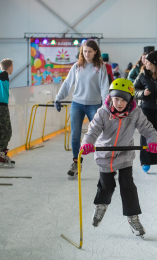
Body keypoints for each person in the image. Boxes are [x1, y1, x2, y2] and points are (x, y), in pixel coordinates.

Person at [80, 78, 157, 236]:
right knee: (106, 185)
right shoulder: (103, 112)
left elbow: (147, 128)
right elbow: (93, 130)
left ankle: (133, 217)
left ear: (130, 99)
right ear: (111, 97)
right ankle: (101, 206)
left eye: (123, 100)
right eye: (116, 99)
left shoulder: (135, 112)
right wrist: (87, 143)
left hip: (124, 154)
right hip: (105, 155)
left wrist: (152, 141)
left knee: (128, 186)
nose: (119, 103)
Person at [55, 39, 109, 179]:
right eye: (84, 51)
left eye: (89, 51)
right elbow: (67, 84)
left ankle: (106, 163)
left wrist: (107, 105)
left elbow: (104, 87)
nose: (87, 54)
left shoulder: (100, 66)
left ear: (95, 52)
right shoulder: (77, 66)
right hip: (77, 104)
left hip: (94, 105)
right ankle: (76, 163)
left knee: (101, 135)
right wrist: (58, 97)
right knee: (75, 135)